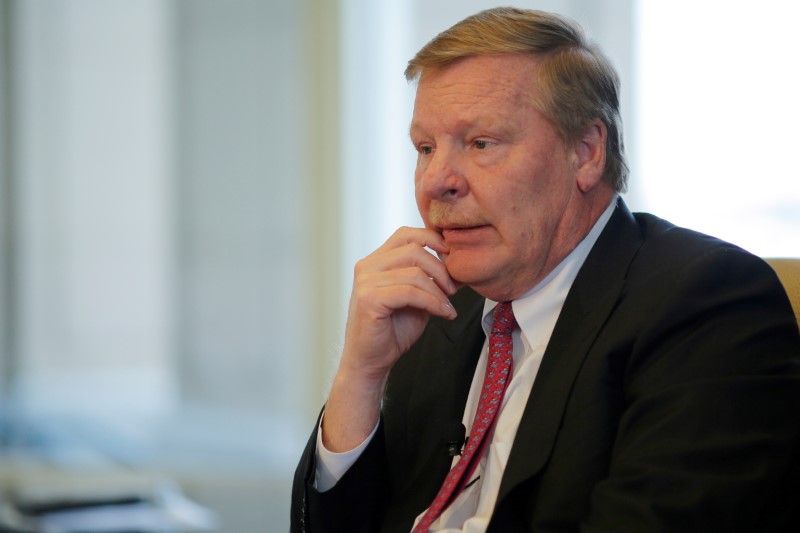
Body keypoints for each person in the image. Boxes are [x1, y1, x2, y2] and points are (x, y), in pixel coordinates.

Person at [291, 7, 800, 532]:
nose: (435, 181)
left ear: (586, 153)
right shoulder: (437, 311)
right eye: (425, 148)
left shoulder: (706, 303)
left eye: (480, 143)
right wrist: (361, 375)